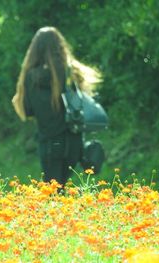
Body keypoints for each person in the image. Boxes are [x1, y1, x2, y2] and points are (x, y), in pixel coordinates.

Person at [12, 26, 101, 186]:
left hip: (50, 144)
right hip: (74, 143)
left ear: (34, 49)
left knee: (53, 192)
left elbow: (27, 110)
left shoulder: (30, 76)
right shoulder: (72, 71)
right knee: (63, 187)